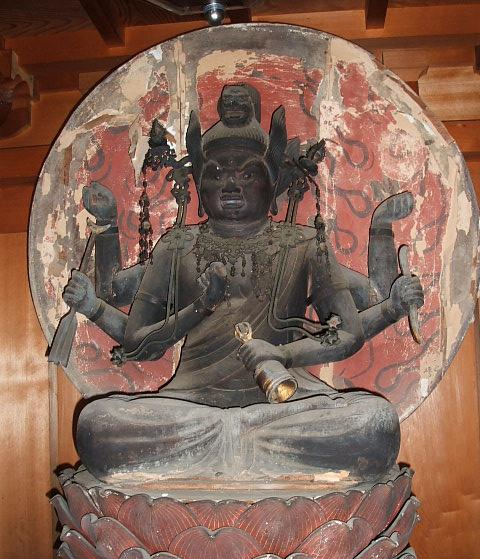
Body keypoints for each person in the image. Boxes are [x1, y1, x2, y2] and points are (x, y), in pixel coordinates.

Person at [63, 84, 423, 484]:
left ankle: (228, 446)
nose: (231, 186)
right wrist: (201, 306)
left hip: (285, 405)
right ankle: (242, 444)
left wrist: (282, 354)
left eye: (248, 174)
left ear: (273, 184)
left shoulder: (304, 244)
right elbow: (138, 344)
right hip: (191, 405)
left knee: (374, 424)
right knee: (98, 426)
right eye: (216, 175)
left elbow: (348, 332)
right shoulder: (177, 246)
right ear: (200, 188)